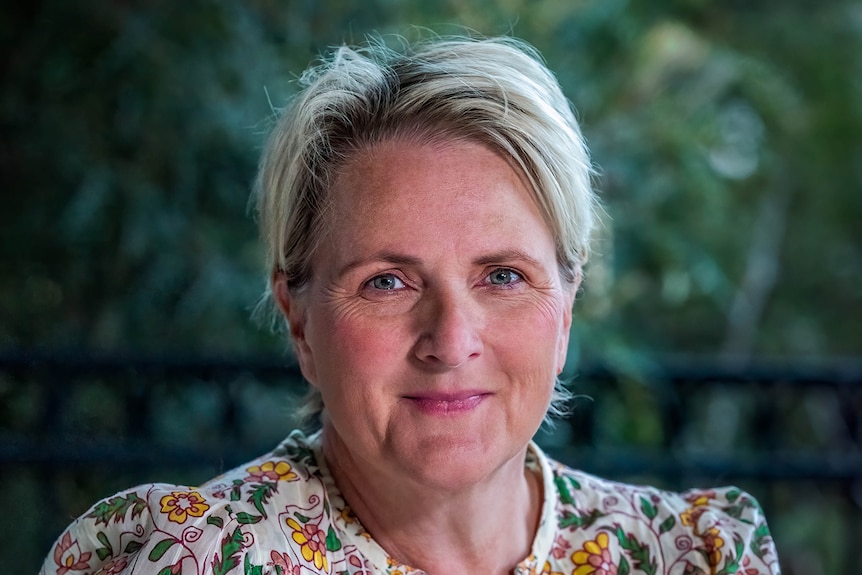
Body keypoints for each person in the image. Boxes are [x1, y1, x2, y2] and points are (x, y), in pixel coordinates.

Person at [41, 35, 780, 575]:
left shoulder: (690, 556)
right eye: (386, 282)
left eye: (503, 276)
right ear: (299, 320)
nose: (451, 340)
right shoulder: (190, 560)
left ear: (568, 302)